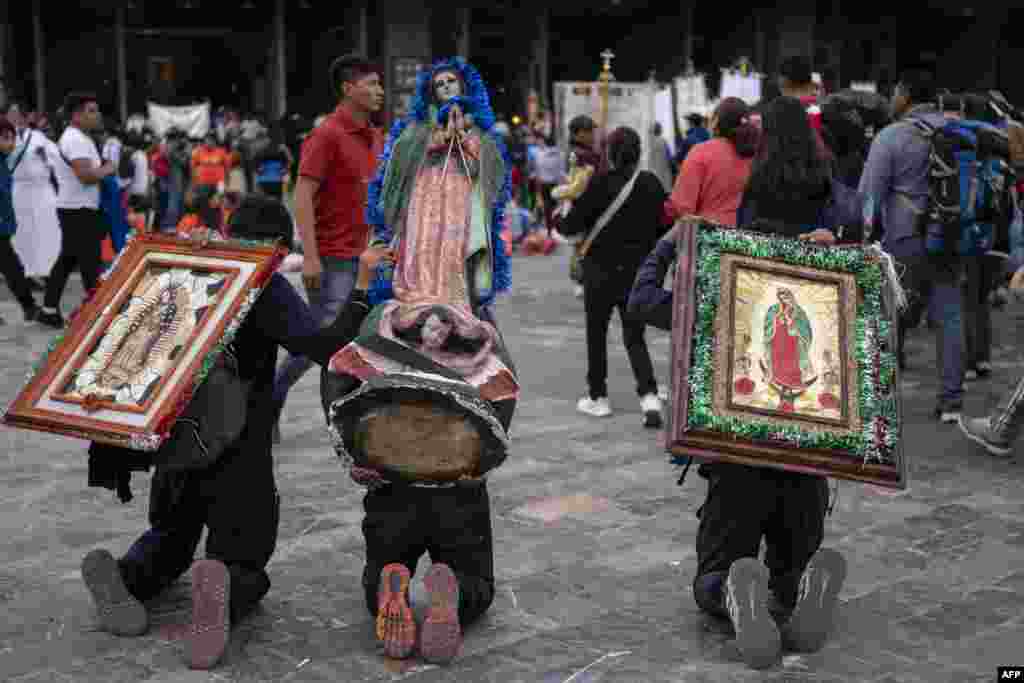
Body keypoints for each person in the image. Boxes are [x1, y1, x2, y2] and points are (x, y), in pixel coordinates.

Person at [80, 229, 396, 670]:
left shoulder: (189, 270)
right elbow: (325, 348)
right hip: (240, 452)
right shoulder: (265, 284)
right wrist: (362, 285)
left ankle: (126, 576)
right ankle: (223, 592)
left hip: (180, 443)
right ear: (275, 244)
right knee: (245, 557)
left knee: (170, 539)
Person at [627, 96, 849, 671]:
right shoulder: (828, 284)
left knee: (713, 569)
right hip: (805, 455)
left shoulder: (724, 278)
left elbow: (643, 299)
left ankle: (729, 588)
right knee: (794, 555)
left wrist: (675, 241)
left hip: (736, 451)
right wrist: (836, 246)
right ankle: (799, 580)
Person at [326, 56, 515, 666]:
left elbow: (337, 379)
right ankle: (453, 596)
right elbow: (505, 396)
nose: (448, 93)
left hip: (389, 490)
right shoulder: (482, 340)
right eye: (440, 87)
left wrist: (466, 149)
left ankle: (392, 582)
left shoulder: (372, 333)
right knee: (476, 585)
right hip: (459, 489)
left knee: (376, 574)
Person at [270, 54, 385, 442]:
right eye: (370, 83)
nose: (379, 90)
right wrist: (311, 256)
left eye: (379, 83)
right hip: (334, 257)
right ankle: (283, 398)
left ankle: (341, 412)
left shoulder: (375, 135)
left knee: (358, 338)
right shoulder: (326, 135)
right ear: (347, 88)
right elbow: (302, 194)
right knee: (323, 342)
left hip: (368, 257)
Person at [859, 68, 965, 422]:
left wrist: (864, 234)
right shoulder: (958, 132)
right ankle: (951, 401)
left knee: (889, 314)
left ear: (905, 94)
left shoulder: (892, 137)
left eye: (895, 92)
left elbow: (869, 195)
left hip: (905, 239)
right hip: (951, 236)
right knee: (949, 316)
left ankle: (879, 396)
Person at [560, 127, 668, 426]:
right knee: (635, 336)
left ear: (610, 154)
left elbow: (569, 226)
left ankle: (598, 397)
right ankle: (648, 398)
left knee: (596, 334)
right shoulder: (651, 184)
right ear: (638, 153)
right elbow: (664, 226)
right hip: (636, 273)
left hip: (599, 274)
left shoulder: (598, 184)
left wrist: (560, 211)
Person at [37, 93, 115, 329]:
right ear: (77, 115)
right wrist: (107, 169)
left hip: (76, 207)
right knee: (90, 263)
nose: (97, 115)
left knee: (68, 259)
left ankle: (49, 310)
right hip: (78, 210)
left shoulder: (81, 138)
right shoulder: (75, 140)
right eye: (91, 110)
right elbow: (85, 175)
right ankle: (97, 316)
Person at [666, 97, 759, 227]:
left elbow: (681, 207)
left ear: (716, 121)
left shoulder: (701, 152)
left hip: (707, 238)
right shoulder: (755, 155)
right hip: (746, 239)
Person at [5, 102, 61, 285]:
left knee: (46, 230)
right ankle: (25, 273)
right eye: (9, 113)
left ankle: (46, 270)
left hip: (41, 189)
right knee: (22, 232)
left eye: (15, 113)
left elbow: (55, 157)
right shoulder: (5, 137)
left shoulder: (38, 137)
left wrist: (45, 156)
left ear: (24, 116)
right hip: (18, 189)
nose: (12, 116)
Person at [0, 115, 41, 323]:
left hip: (3, 228)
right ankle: (29, 307)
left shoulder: (4, 162)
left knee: (12, 268)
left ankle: (29, 306)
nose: (11, 143)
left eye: (12, 138)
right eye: (6, 138)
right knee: (12, 268)